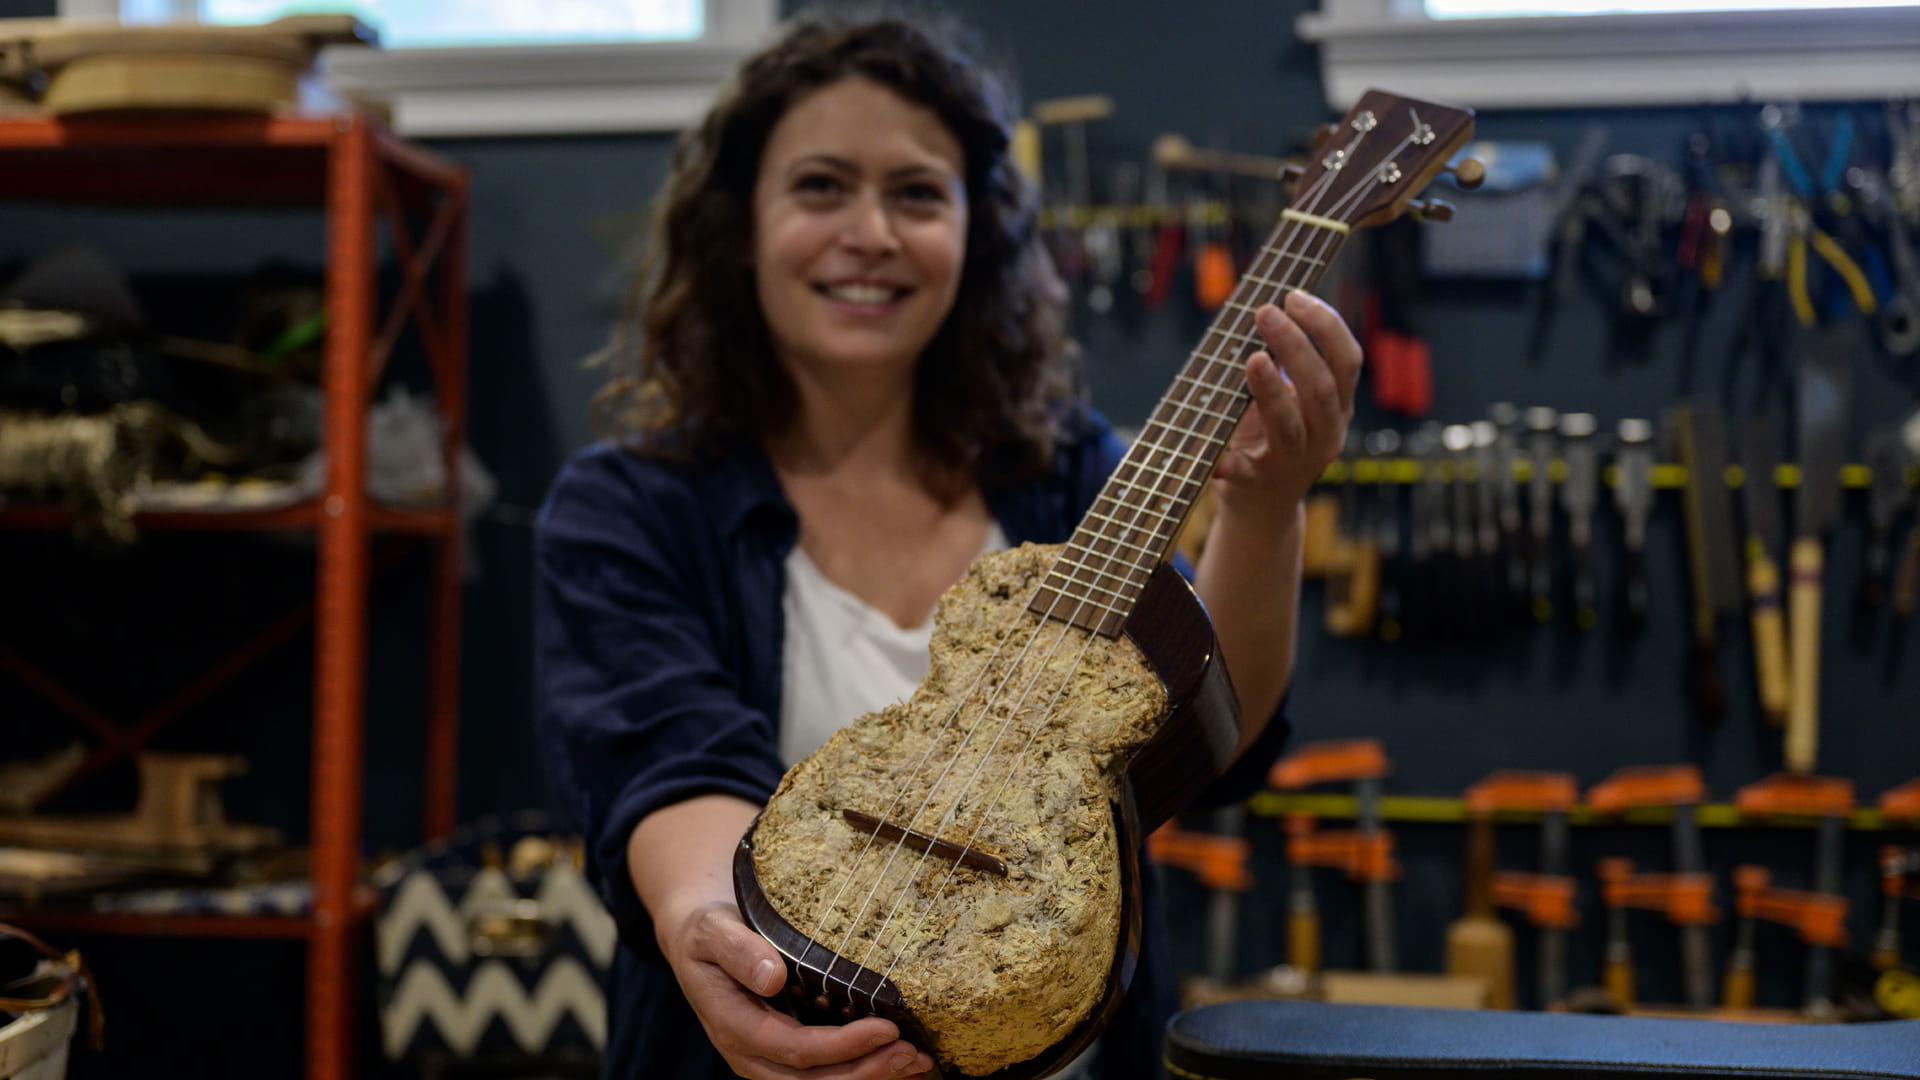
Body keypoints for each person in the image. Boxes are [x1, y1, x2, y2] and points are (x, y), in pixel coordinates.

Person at [534, 11, 1361, 1080]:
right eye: (821, 186)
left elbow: (1203, 739)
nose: (871, 232)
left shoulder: (1068, 476)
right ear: (740, 225)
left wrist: (1265, 505)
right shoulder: (631, 506)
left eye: (917, 193)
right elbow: (664, 759)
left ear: (977, 231)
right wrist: (727, 941)